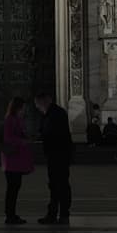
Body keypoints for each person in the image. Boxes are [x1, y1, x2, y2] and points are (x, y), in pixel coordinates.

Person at [33, 90, 71, 225]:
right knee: (56, 185)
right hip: (56, 154)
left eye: (38, 105)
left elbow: (52, 133)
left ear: (44, 101)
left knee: (59, 185)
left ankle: (60, 214)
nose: (38, 108)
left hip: (58, 154)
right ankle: (56, 214)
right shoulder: (53, 113)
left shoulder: (55, 114)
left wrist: (41, 136)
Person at [0, 95, 34, 225]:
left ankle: (11, 214)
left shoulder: (17, 119)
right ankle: (10, 215)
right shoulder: (10, 120)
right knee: (12, 189)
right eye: (23, 107)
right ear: (17, 108)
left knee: (14, 188)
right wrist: (22, 141)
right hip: (12, 160)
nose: (24, 110)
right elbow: (8, 138)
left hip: (16, 160)